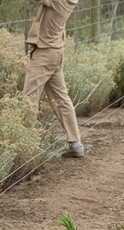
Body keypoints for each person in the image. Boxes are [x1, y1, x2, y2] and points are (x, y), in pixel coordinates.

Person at [23, 0, 84, 158]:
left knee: (29, 98)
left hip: (45, 54)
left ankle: (24, 147)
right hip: (55, 51)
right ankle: (75, 143)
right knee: (61, 98)